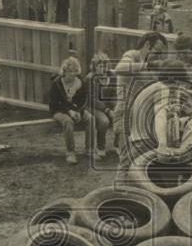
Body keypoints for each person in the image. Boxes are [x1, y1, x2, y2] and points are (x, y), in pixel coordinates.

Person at [114, 32, 169, 177]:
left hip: (143, 114)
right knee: (126, 158)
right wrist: (148, 65)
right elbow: (120, 68)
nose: (158, 55)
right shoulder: (132, 55)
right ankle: (119, 193)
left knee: (143, 157)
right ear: (147, 45)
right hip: (126, 112)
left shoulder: (151, 65)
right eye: (157, 51)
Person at [47, 56, 108, 164]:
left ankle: (89, 149)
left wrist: (78, 111)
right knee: (68, 122)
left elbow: (83, 100)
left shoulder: (79, 82)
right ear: (64, 71)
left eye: (75, 71)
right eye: (69, 71)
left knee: (91, 119)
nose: (72, 74)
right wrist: (69, 111)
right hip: (59, 110)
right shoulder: (57, 83)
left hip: (75, 110)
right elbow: (54, 103)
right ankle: (70, 152)